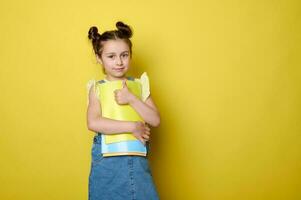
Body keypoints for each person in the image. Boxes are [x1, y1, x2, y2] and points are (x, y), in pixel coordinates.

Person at [86, 21, 160, 200]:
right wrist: (132, 126)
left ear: (130, 55)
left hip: (137, 160)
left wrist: (131, 98)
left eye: (124, 55)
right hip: (107, 162)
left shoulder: (140, 86)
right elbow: (93, 122)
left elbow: (155, 119)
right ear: (99, 57)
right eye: (111, 56)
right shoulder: (97, 88)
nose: (119, 62)